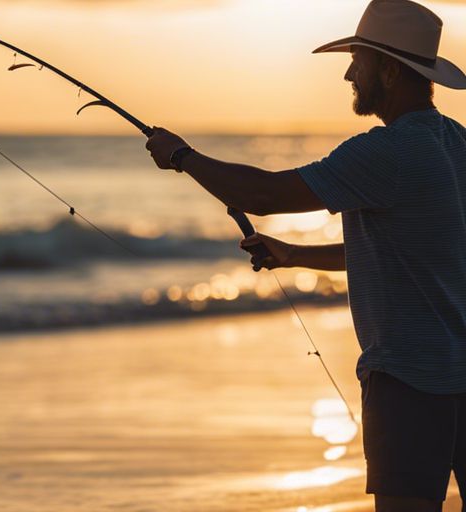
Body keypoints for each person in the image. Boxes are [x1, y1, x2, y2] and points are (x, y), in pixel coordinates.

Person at [145, 1, 466, 511]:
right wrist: (294, 254)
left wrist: (183, 156)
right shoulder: (455, 143)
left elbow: (264, 196)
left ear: (387, 69)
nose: (348, 74)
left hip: (408, 378)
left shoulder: (388, 151)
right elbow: (412, 249)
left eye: (357, 62)